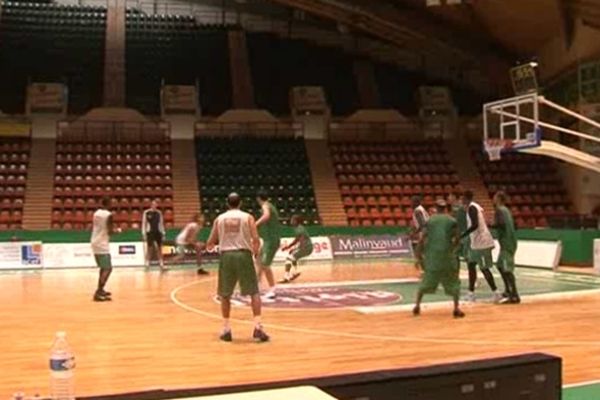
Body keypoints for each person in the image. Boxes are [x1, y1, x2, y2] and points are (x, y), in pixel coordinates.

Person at [206, 193, 269, 343]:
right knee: (254, 292)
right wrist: (254, 254)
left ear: (227, 204)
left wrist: (214, 245)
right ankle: (258, 327)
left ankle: (227, 329)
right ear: (240, 203)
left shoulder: (219, 219)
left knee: (225, 294)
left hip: (227, 256)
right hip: (243, 254)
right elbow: (256, 240)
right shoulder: (248, 217)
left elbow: (210, 242)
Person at [413, 199, 464, 318]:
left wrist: (418, 255)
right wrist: (453, 249)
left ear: (436, 208)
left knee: (426, 281)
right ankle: (456, 308)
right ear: (446, 208)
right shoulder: (452, 221)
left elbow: (422, 238)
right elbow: (457, 238)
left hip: (432, 257)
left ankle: (417, 306)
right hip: (447, 256)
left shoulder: (430, 221)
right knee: (454, 282)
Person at [461, 190, 502, 303]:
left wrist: (463, 234)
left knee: (484, 269)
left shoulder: (472, 208)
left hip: (482, 243)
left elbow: (475, 225)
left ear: (466, 198)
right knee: (471, 265)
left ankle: (496, 293)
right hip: (476, 243)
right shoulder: (475, 207)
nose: (461, 200)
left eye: (462, 198)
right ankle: (471, 293)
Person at [90, 196, 120, 302]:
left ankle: (101, 289)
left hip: (94, 240)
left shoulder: (96, 213)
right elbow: (110, 231)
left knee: (103, 268)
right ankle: (98, 292)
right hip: (102, 243)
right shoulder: (109, 215)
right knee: (108, 268)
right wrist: (119, 230)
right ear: (108, 204)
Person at [492, 191, 520, 304]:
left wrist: (490, 225)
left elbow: (502, 224)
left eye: (495, 198)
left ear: (498, 199)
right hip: (510, 241)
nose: (493, 200)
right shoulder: (507, 210)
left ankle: (514, 295)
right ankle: (508, 290)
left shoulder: (499, 210)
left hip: (507, 243)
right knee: (500, 265)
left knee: (506, 269)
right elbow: (515, 225)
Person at [255, 190, 281, 299]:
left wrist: (255, 224)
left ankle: (272, 289)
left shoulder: (265, 206)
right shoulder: (270, 205)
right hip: (267, 239)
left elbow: (266, 215)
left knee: (265, 265)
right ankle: (257, 285)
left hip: (271, 240)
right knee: (259, 261)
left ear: (258, 199)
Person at [279, 215, 313, 283]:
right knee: (292, 255)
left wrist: (299, 249)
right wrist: (288, 247)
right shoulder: (298, 228)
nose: (291, 221)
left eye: (292, 220)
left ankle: (286, 276)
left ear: (296, 221)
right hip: (307, 247)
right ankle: (296, 271)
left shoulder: (300, 229)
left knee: (289, 258)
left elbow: (302, 241)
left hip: (306, 247)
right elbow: (296, 240)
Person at [141, 200, 165, 270]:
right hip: (150, 232)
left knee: (159, 248)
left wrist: (163, 233)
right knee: (150, 248)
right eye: (153, 204)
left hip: (158, 232)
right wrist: (143, 233)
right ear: (151, 205)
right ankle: (147, 263)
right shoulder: (146, 212)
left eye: (156, 204)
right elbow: (144, 223)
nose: (154, 205)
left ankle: (161, 264)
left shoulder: (159, 213)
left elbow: (161, 223)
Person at [410, 195, 429, 271]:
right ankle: (424, 268)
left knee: (419, 251)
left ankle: (425, 269)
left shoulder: (417, 211)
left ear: (416, 203)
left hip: (425, 233)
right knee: (421, 252)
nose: (410, 204)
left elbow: (422, 224)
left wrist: (414, 233)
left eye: (412, 202)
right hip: (427, 232)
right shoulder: (421, 209)